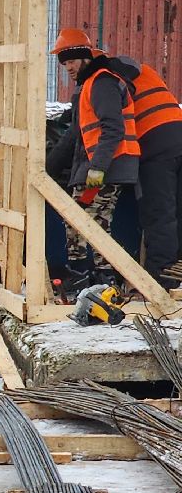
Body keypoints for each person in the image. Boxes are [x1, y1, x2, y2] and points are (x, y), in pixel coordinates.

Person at [45, 28, 142, 297]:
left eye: (72, 62)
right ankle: (89, 281)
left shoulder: (102, 83)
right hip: (98, 167)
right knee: (82, 224)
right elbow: (78, 134)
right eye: (64, 64)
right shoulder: (88, 86)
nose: (68, 68)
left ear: (84, 57)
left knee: (91, 225)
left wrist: (98, 167)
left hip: (108, 168)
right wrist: (49, 169)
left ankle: (99, 282)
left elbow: (113, 128)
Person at [108, 45, 182, 284]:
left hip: (154, 147)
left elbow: (110, 127)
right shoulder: (145, 71)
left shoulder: (106, 79)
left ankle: (162, 281)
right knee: (176, 210)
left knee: (159, 214)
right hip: (178, 136)